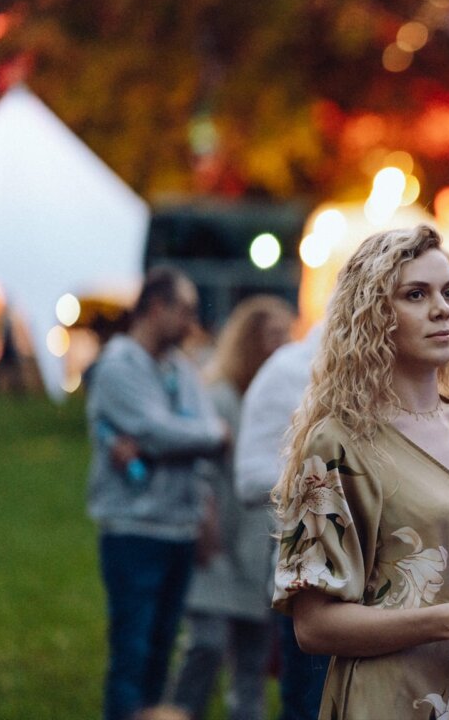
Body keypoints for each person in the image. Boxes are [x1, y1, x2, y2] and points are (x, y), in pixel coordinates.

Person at [271, 224, 449, 720]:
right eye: (415, 294)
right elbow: (313, 628)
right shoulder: (341, 442)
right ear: (374, 316)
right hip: (394, 696)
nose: (441, 308)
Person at [86, 266, 229, 720]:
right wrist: (200, 435)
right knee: (133, 648)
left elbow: (188, 434)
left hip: (180, 528)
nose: (192, 321)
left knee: (161, 650)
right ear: (154, 307)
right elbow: (158, 431)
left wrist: (178, 440)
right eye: (184, 310)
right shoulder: (117, 366)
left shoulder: (180, 368)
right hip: (134, 529)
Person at [169, 295, 296, 720]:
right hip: (220, 541)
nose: (282, 345)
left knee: (253, 661)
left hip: (261, 547)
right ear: (248, 339)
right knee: (204, 645)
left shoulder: (283, 402)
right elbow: (200, 468)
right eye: (272, 335)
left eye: (286, 335)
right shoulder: (220, 396)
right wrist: (204, 525)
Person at [234, 324, 329, 720]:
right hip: (313, 575)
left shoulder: (407, 370)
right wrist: (330, 488)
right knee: (311, 704)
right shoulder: (288, 371)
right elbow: (249, 476)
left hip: (389, 590)